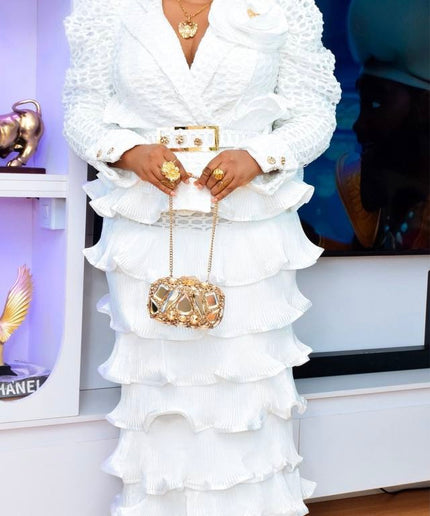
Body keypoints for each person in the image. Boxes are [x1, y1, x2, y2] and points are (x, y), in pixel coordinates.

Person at [63, 0, 341, 514]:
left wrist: (259, 157)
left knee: (246, 382)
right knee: (160, 384)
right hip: (149, 226)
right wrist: (129, 152)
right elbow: (81, 109)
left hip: (248, 227)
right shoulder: (106, 8)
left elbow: (315, 113)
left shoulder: (284, 5)